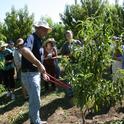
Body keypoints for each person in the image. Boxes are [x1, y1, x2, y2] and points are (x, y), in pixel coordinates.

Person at [15, 21, 51, 124]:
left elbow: (37, 58)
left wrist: (43, 73)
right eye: (45, 29)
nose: (46, 32)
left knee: (35, 100)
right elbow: (24, 50)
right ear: (39, 28)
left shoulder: (39, 40)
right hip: (29, 75)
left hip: (34, 74)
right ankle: (36, 122)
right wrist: (39, 64)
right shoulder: (31, 37)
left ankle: (35, 121)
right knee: (35, 101)